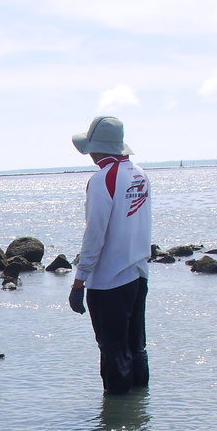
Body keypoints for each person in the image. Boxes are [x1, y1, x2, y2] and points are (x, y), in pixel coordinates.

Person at [67, 116, 151, 394]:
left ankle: (116, 424)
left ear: (95, 148)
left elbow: (95, 234)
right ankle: (138, 415)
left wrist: (79, 282)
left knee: (113, 352)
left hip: (109, 282)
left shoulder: (103, 179)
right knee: (136, 347)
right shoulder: (139, 173)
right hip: (138, 275)